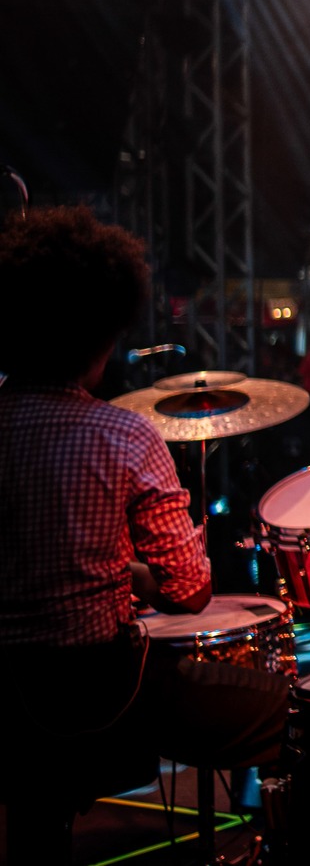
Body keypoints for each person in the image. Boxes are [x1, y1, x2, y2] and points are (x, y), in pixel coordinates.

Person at [0, 207, 291, 860]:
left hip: (9, 705)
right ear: (101, 335)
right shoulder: (123, 434)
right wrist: (129, 570)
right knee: (292, 713)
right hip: (104, 699)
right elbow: (188, 591)